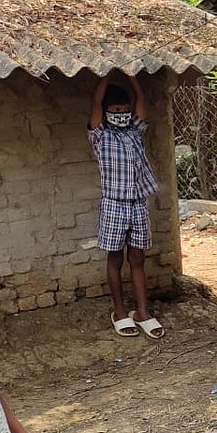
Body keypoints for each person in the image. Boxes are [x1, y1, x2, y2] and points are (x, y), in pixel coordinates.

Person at [89, 71, 164, 339]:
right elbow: (95, 103)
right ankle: (120, 312)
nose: (121, 114)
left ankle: (142, 312)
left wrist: (131, 78)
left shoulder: (135, 132)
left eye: (124, 109)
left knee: (137, 259)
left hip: (138, 204)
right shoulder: (100, 136)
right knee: (115, 259)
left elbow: (140, 99)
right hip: (114, 205)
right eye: (115, 110)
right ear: (106, 111)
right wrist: (107, 75)